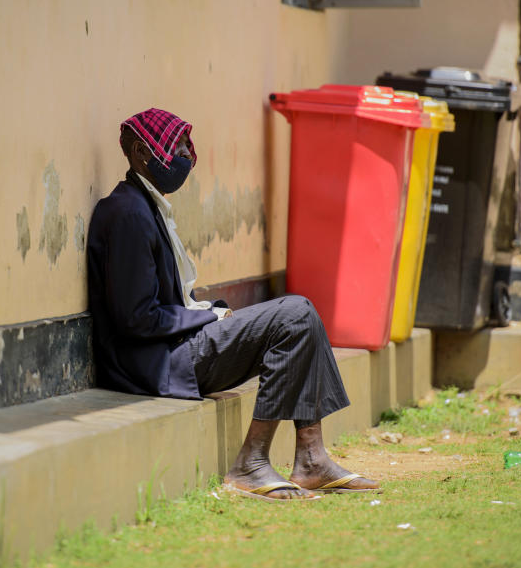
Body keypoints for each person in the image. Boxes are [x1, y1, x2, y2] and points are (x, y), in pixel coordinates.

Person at [87, 108, 379, 502]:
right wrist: (205, 316)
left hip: (171, 349)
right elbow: (135, 318)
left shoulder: (145, 205)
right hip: (157, 362)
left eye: (185, 148)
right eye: (174, 148)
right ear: (141, 153)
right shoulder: (127, 213)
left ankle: (312, 459)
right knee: (295, 314)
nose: (185, 157)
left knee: (302, 315)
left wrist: (207, 312)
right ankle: (250, 464)